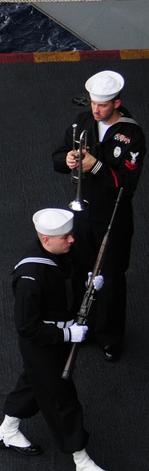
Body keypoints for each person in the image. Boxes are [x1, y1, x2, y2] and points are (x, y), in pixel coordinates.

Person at [0, 208, 112, 471]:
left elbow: (70, 275)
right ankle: (81, 459)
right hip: (42, 343)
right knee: (63, 400)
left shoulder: (60, 253)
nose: (71, 240)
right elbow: (27, 327)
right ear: (46, 240)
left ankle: (7, 429)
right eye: (65, 237)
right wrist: (66, 333)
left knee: (34, 383)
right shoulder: (30, 276)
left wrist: (87, 282)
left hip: (61, 333)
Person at [52, 70, 143, 362]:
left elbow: (127, 184)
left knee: (112, 278)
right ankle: (83, 325)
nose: (95, 109)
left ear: (117, 103)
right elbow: (58, 155)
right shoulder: (83, 122)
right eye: (92, 103)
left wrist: (95, 166)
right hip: (84, 212)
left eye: (102, 105)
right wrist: (66, 160)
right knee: (79, 271)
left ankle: (110, 336)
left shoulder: (132, 135)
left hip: (113, 217)